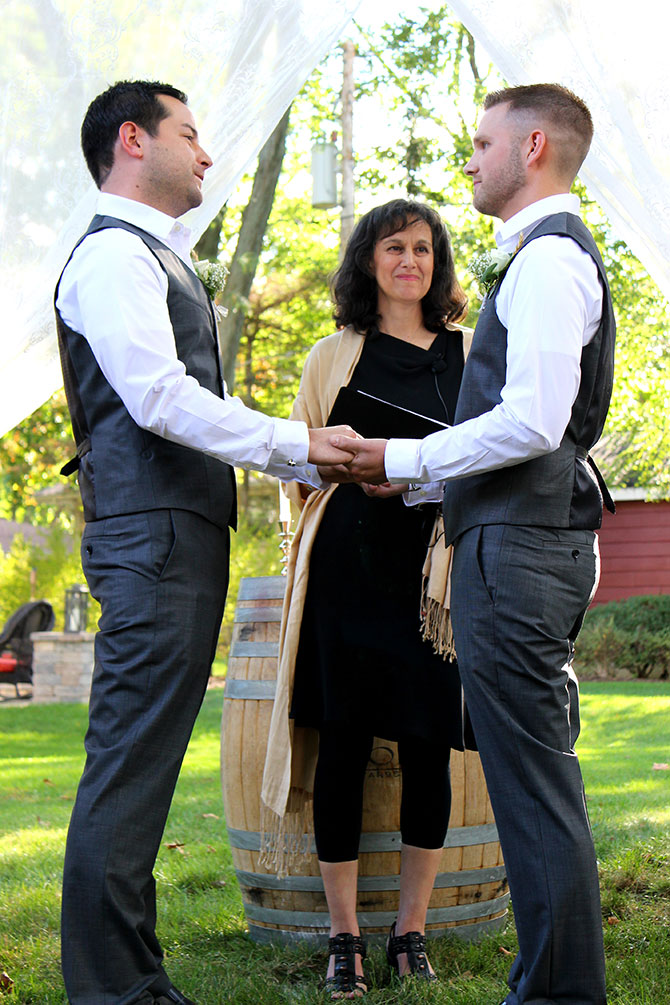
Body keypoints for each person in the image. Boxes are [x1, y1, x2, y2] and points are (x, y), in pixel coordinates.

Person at [54, 79, 355, 1005]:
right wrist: (294, 443)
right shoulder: (112, 258)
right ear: (134, 141)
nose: (208, 154)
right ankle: (116, 991)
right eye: (191, 133)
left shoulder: (153, 255)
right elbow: (159, 399)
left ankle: (130, 980)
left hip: (172, 534)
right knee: (132, 759)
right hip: (152, 539)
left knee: (141, 762)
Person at [336, 85, 615, 1005]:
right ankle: (554, 986)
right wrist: (412, 476)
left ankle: (558, 994)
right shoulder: (541, 258)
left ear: (533, 146)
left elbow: (530, 420)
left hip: (522, 547)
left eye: (484, 142)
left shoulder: (546, 262)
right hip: (519, 536)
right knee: (534, 783)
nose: (471, 158)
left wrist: (408, 452)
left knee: (532, 790)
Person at [260, 199, 472, 998]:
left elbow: (492, 454)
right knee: (343, 746)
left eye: (423, 248)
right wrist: (336, 465)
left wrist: (421, 472)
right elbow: (296, 462)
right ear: (369, 261)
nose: (409, 261)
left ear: (436, 262)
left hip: (433, 584)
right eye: (394, 247)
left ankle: (410, 932)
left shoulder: (471, 352)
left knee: (427, 746)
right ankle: (343, 935)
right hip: (346, 575)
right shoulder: (334, 354)